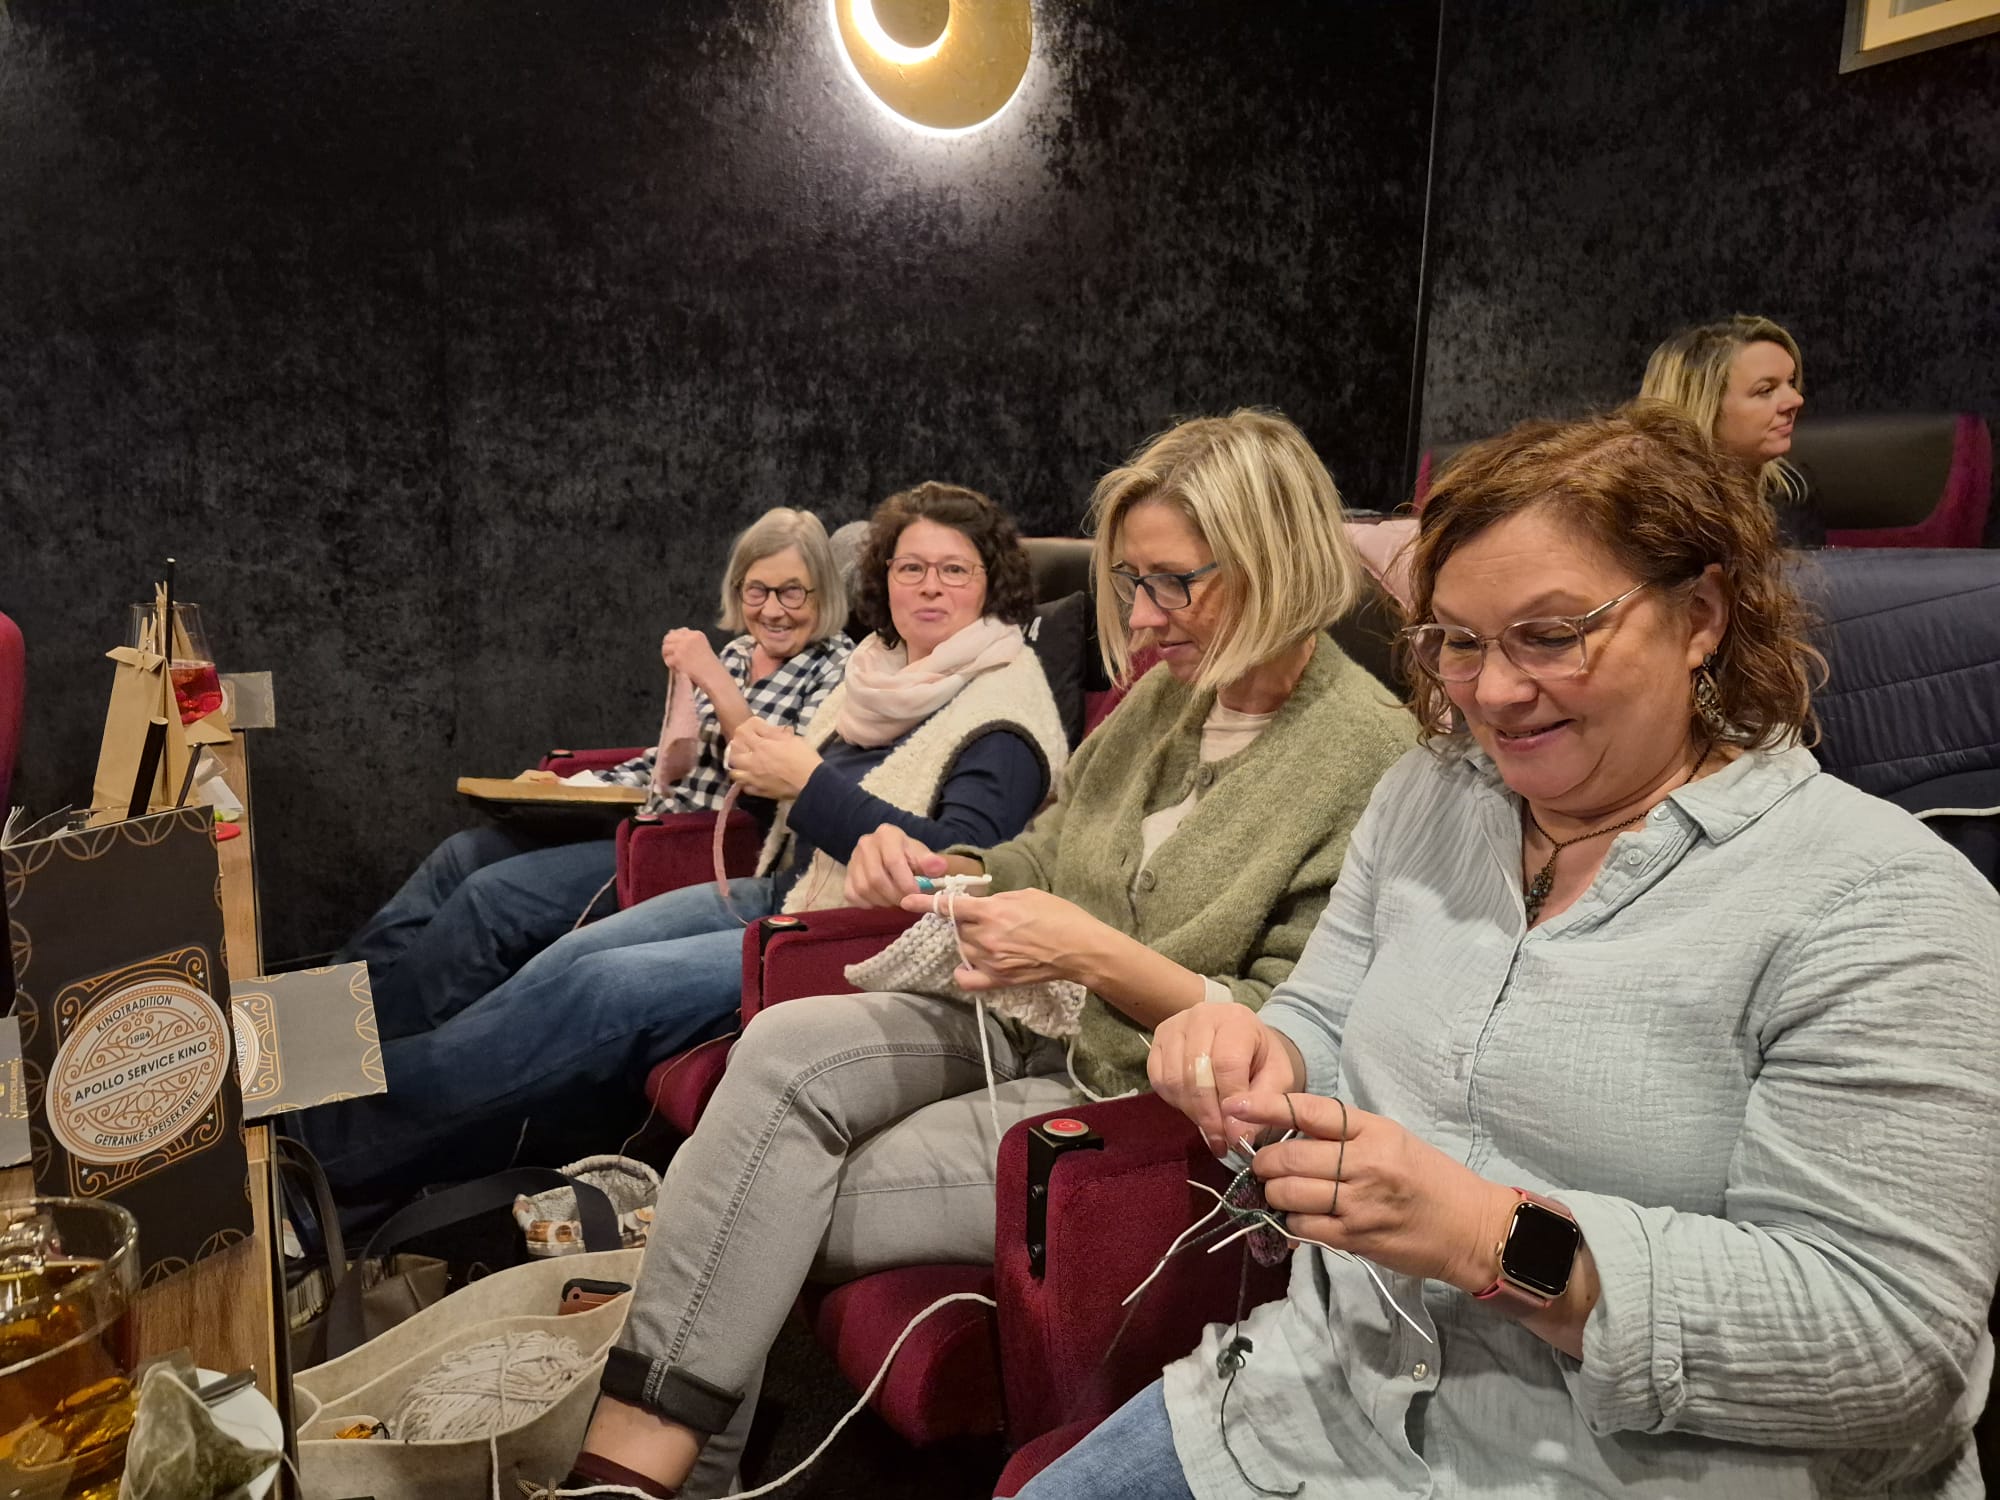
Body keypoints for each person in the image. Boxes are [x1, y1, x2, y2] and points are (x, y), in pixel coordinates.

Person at [1026, 402, 2000, 1498]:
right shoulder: (1426, 795)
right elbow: (1325, 1008)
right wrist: (1259, 1050)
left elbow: (1887, 1344)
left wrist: (1492, 1238)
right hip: (1316, 1407)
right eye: (1455, 641)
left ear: (1699, 618)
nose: (1489, 691)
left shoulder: (1878, 902)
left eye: (1549, 633)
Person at [563, 409, 1412, 1499]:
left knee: (750, 1191)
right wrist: (948, 871)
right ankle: (666, 1476)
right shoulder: (1163, 699)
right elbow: (1042, 851)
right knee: (779, 1045)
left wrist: (1091, 951)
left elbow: (1288, 1027)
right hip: (1029, 1020)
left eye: (1171, 583)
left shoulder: (1367, 756)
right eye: (1130, 585)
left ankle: (641, 1474)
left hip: (1131, 1101)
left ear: (1277, 561)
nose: (1143, 619)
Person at [298, 481, 1070, 1195]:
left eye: (953, 571)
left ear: (992, 585)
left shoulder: (1003, 710)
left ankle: (326, 1149)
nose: (928, 586)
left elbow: (959, 869)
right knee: (569, 957)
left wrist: (805, 780)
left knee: (597, 990)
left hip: (844, 942)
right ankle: (335, 1078)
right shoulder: (880, 676)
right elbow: (780, 806)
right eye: (911, 568)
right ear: (884, 579)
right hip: (778, 892)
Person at [339, 507, 852, 1040]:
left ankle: (374, 1050)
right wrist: (575, 786)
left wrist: (715, 681)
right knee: (461, 855)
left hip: (684, 854)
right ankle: (335, 1005)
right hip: (643, 819)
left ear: (824, 595)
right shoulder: (741, 652)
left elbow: (771, 779)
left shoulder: (836, 669)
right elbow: (667, 761)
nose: (773, 610)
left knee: (490, 897)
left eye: (793, 592)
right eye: (756, 591)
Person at [1641, 313, 1818, 545]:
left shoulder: (1790, 488)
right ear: (1703, 407)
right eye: (1766, 390)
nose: (1795, 400)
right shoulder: (1642, 509)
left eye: (1791, 382)